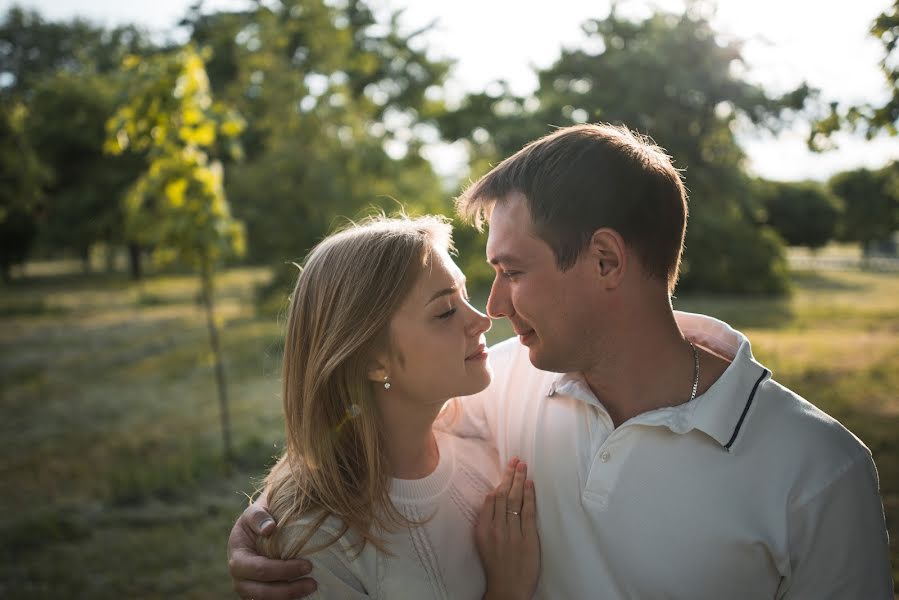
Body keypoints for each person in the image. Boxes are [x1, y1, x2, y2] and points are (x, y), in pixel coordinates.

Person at [229, 124, 893, 598]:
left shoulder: (818, 473)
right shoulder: (507, 382)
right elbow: (369, 422)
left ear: (605, 261)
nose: (489, 308)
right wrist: (273, 520)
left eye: (511, 270)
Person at [237, 215, 540, 599]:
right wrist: (507, 591)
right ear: (371, 360)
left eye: (464, 296)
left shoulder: (487, 439)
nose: (481, 320)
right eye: (446, 311)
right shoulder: (315, 545)